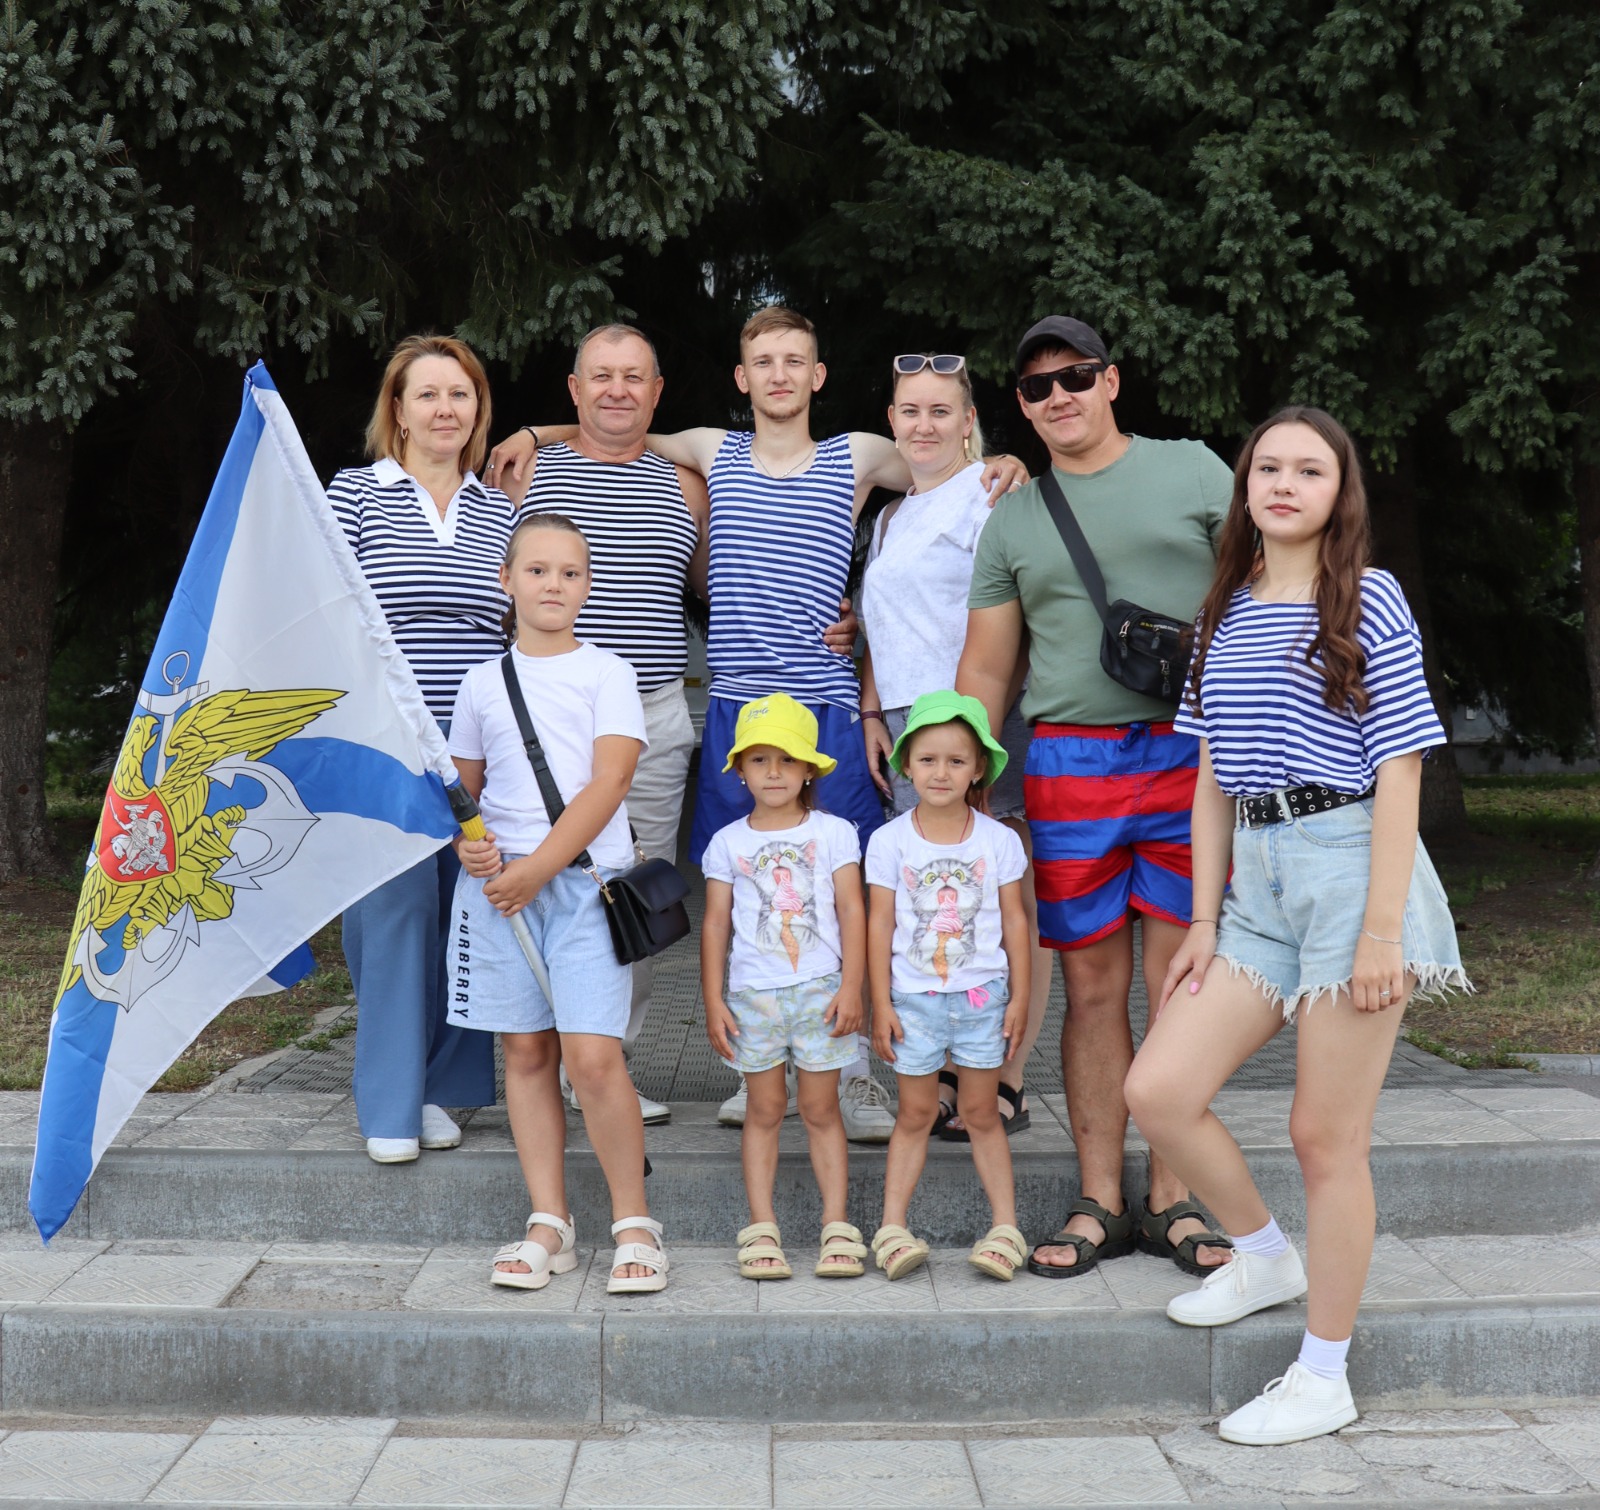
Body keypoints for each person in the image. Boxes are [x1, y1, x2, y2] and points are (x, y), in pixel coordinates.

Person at [492, 309, 1026, 1141]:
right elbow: (618, 421)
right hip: (738, 711)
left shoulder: (858, 455)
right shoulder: (713, 450)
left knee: (839, 895)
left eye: (795, 361)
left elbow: (944, 456)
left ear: (818, 375)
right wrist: (535, 430)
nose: (780, 374)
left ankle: (850, 1076)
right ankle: (756, 1071)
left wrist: (1004, 461)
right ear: (742, 378)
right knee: (745, 894)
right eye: (764, 361)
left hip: (827, 710)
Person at [1124, 407, 1468, 1443]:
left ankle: (1325, 1374)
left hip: (1352, 869)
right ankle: (1265, 1257)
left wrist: (1379, 931)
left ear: (1338, 492)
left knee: (1324, 1136)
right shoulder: (1222, 609)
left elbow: (1400, 765)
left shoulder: (1367, 596)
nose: (1283, 483)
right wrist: (1201, 915)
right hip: (1257, 886)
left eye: (1308, 470)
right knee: (1158, 1090)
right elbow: (1209, 775)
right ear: (1245, 488)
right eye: (1266, 466)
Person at [957, 315, 1236, 1278]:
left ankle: (1173, 1196)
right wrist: (968, 779)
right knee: (1092, 989)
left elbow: (1265, 591)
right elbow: (986, 668)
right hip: (1069, 763)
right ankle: (1100, 1198)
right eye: (1038, 387)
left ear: (1111, 381)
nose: (1059, 396)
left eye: (1075, 376)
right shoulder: (1015, 517)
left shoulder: (1193, 470)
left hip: (1191, 757)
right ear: (1022, 407)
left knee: (1183, 983)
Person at [494, 323, 714, 1126]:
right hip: (541, 717)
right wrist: (532, 432)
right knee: (539, 881)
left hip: (650, 717)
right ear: (574, 388)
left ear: (656, 394)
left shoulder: (687, 486)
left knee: (632, 894)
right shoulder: (526, 471)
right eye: (601, 375)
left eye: (633, 377)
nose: (617, 390)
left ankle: (607, 1066)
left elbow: (719, 590)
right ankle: (542, 1065)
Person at [447, 513, 668, 1295]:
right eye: (537, 570)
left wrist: (538, 869)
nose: (553, 585)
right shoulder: (480, 682)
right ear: (506, 580)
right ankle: (550, 1222)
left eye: (570, 573)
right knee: (526, 1053)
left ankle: (635, 1223)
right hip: (501, 895)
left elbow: (611, 782)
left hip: (580, 889)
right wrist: (468, 846)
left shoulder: (608, 672)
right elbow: (465, 794)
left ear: (588, 586)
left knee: (594, 1057)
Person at [858, 352, 1054, 1141]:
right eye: (910, 411)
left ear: (969, 421)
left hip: (979, 719)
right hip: (910, 726)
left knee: (1005, 897)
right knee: (937, 900)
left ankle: (1005, 1073)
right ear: (892, 421)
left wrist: (980, 734)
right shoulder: (890, 516)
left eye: (941, 410)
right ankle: (946, 1068)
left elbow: (1025, 611)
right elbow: (883, 621)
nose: (924, 424)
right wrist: (872, 707)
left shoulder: (991, 494)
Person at [328, 335, 500, 1164]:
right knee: (393, 915)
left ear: (477, 409)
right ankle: (391, 1101)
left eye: (459, 394)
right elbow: (324, 615)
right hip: (382, 745)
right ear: (397, 410)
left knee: (465, 914)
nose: (444, 409)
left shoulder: (500, 511)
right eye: (426, 394)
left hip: (477, 748)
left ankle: (442, 1087)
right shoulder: (354, 494)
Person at [700, 695, 869, 1281]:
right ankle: (762, 1227)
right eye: (759, 759)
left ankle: (836, 1225)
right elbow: (715, 924)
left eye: (787, 759)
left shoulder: (836, 832)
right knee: (765, 1109)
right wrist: (713, 999)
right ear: (740, 771)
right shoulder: (726, 842)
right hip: (754, 998)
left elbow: (853, 910)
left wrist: (853, 986)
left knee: (822, 1109)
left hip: (822, 992)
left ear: (809, 770)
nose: (773, 772)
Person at [866, 693, 1031, 1282]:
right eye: (928, 759)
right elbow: (878, 924)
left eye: (956, 761)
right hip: (913, 1001)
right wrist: (879, 1002)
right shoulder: (888, 841)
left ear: (979, 768)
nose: (941, 773)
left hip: (982, 998)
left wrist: (1020, 998)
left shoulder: (999, 840)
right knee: (914, 1112)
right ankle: (891, 1228)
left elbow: (1016, 922)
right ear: (906, 765)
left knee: (981, 1111)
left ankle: (1006, 1229)